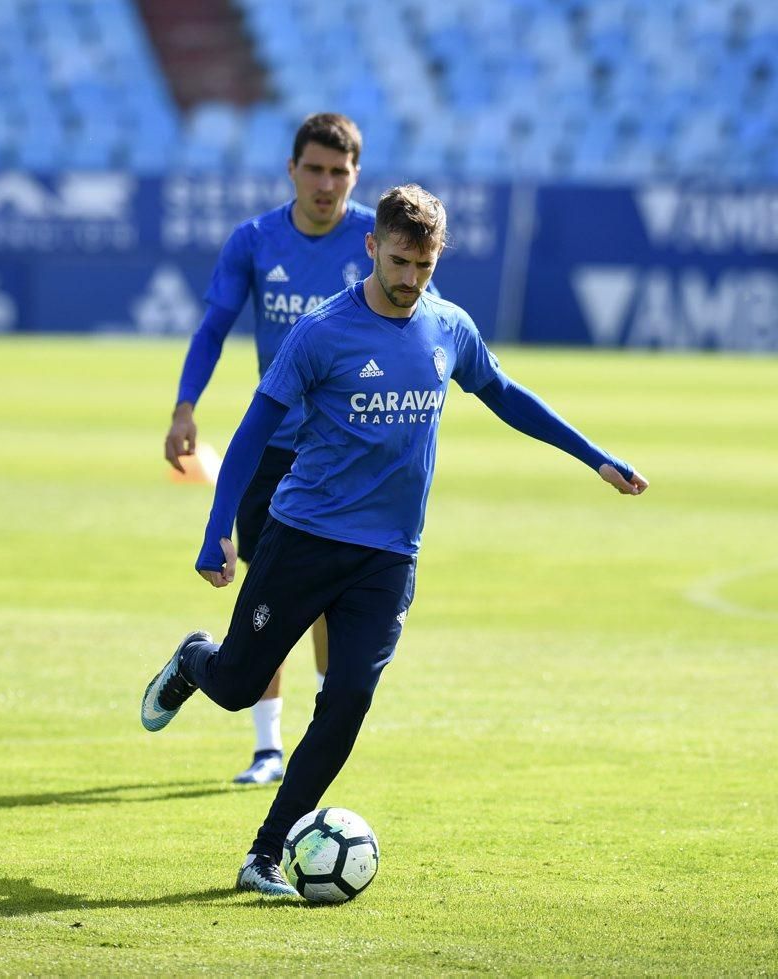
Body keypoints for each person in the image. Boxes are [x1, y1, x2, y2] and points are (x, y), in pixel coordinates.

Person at [142, 184, 649, 896]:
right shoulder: (322, 332)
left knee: (347, 699)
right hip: (303, 538)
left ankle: (263, 852)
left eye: (425, 264)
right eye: (401, 261)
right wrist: (217, 527)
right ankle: (196, 660)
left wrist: (594, 455)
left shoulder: (449, 327)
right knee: (235, 686)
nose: (411, 279)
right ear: (372, 247)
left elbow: (503, 391)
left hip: (389, 557)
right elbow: (256, 430)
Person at [163, 113, 371, 786]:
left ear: (355, 176)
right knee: (270, 594)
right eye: (314, 168)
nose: (326, 183)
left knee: (330, 601)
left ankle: (317, 735)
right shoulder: (255, 239)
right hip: (273, 449)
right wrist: (185, 405)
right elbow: (214, 326)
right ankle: (267, 747)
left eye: (339, 171)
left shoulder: (374, 241)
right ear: (291, 170)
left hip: (342, 454)